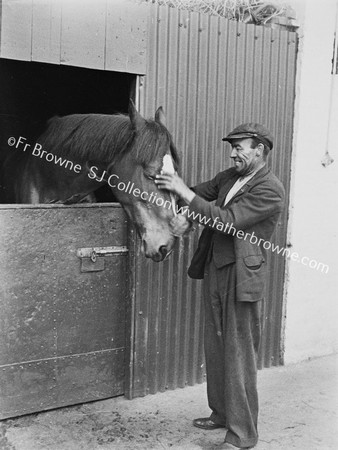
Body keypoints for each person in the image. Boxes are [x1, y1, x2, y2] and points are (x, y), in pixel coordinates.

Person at [155, 123, 285, 449]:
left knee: (238, 355)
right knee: (215, 348)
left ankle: (242, 435)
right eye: (232, 147)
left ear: (259, 149)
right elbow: (199, 191)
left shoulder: (270, 189)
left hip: (241, 277)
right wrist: (168, 186)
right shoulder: (228, 177)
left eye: (239, 147)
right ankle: (221, 413)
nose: (232, 153)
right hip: (215, 268)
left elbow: (225, 221)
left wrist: (184, 193)